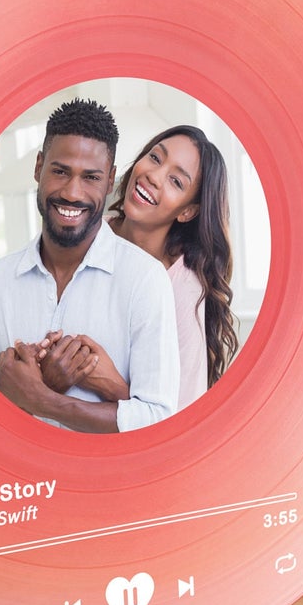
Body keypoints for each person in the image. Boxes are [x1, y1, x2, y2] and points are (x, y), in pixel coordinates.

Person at [0, 99, 179, 432]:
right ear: (38, 167)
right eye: (60, 172)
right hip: (17, 469)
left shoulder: (145, 280)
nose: (73, 193)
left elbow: (157, 419)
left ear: (110, 181)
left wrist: (41, 399)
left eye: (91, 177)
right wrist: (30, 388)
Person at [104, 125, 240, 408]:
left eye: (176, 181)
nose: (153, 176)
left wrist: (109, 385)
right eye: (155, 158)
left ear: (187, 211)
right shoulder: (88, 235)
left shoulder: (183, 289)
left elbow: (179, 413)